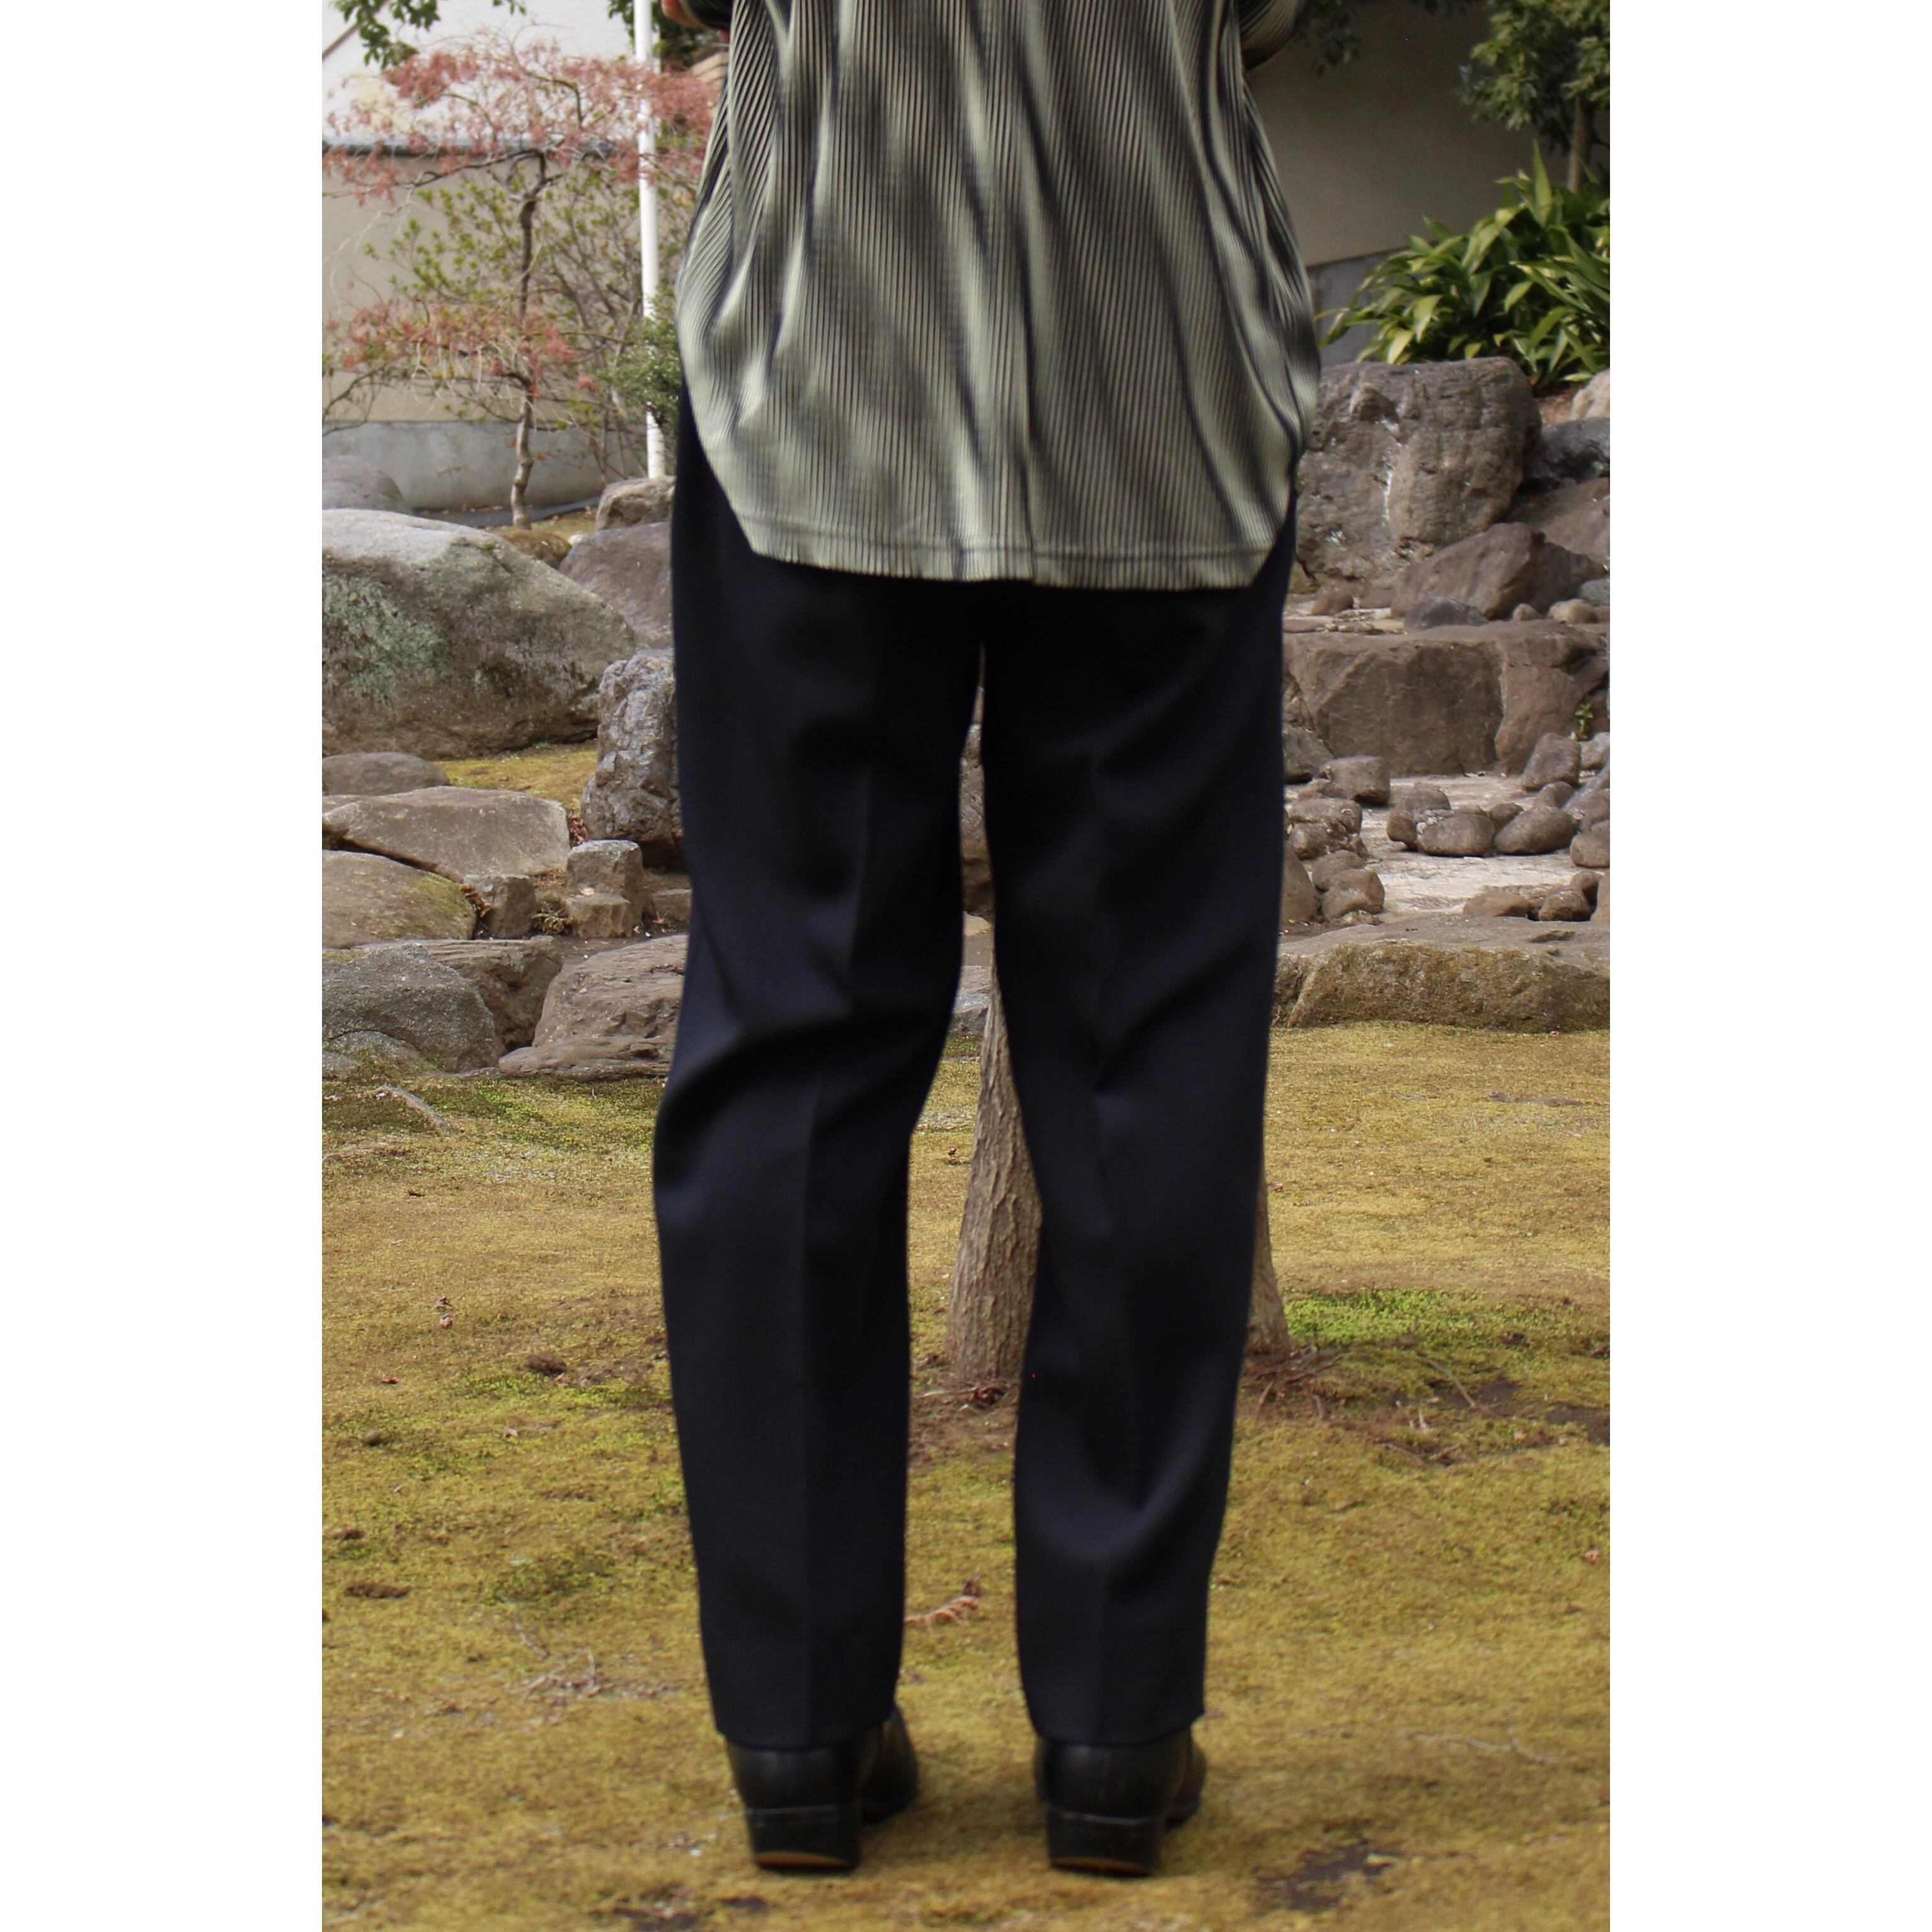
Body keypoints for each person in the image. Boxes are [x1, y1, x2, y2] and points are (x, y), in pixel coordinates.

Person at [652, 0, 1320, 1877]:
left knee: (790, 1039)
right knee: (1144, 1051)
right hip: (1158, 381)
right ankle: (1115, 1720)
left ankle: (795, 1725)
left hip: (822, 367)